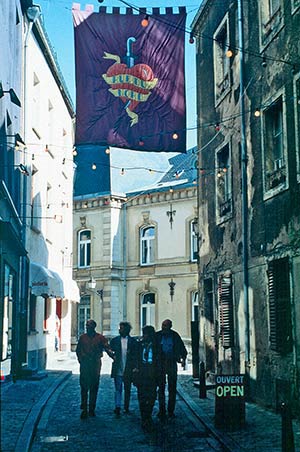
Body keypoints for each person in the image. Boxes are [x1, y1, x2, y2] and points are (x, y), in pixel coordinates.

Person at [76, 319, 113, 419]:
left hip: (95, 364)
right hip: (85, 365)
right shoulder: (82, 338)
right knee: (84, 387)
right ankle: (84, 408)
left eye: (89, 325)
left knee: (94, 387)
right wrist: (81, 359)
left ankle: (92, 409)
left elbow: (107, 348)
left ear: (93, 327)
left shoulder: (100, 338)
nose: (87, 327)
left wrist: (113, 356)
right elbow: (78, 350)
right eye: (86, 325)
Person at [156, 319, 187, 419]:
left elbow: (182, 348)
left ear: (170, 326)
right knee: (160, 388)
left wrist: (183, 359)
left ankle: (171, 411)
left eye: (166, 326)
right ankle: (162, 410)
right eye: (163, 325)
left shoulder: (174, 336)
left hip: (171, 363)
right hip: (160, 364)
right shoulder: (158, 336)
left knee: (172, 388)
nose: (163, 327)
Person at [133, 325, 158, 432]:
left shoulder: (157, 347)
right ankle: (144, 417)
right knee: (142, 397)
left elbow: (160, 361)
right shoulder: (139, 346)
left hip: (152, 374)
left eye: (146, 334)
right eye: (144, 334)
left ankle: (148, 414)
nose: (144, 336)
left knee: (152, 396)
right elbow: (134, 359)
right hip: (142, 374)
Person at [110, 321, 138, 415]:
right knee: (118, 389)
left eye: (121, 328)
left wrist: (135, 367)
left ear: (126, 330)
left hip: (128, 369)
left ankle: (126, 407)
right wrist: (112, 356)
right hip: (118, 368)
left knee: (127, 389)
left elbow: (135, 356)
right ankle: (117, 406)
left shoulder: (133, 342)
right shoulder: (114, 341)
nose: (119, 330)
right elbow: (109, 350)